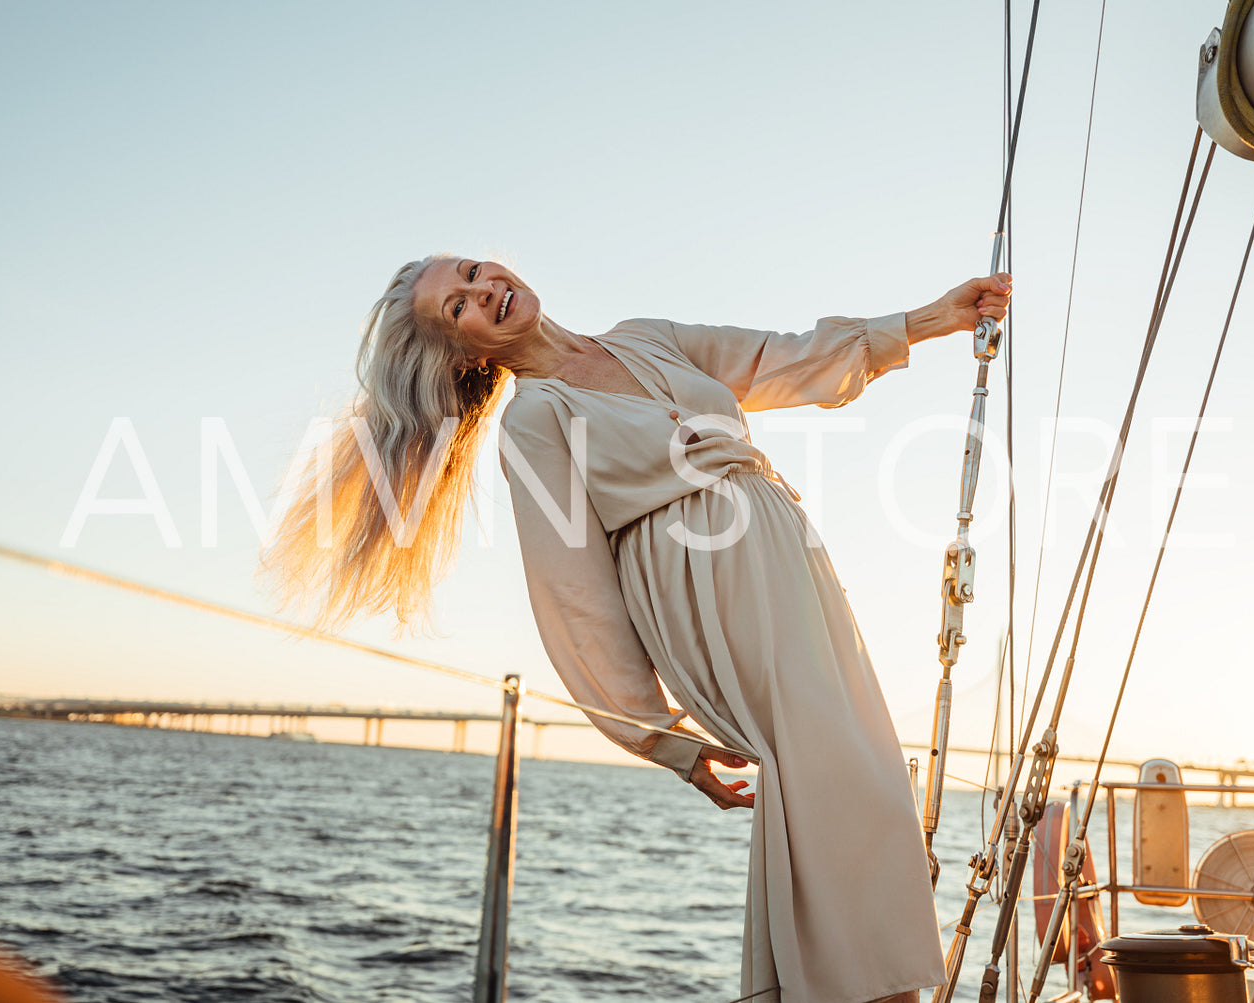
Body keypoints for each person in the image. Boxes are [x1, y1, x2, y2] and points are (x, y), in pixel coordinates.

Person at [261, 255, 1011, 1003]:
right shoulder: (534, 419)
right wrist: (660, 738)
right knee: (838, 790)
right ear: (464, 353)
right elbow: (572, 590)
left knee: (867, 781)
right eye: (457, 306)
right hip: (709, 597)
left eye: (470, 271)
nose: (482, 289)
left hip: (794, 572)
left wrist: (935, 318)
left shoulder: (646, 337)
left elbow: (778, 356)